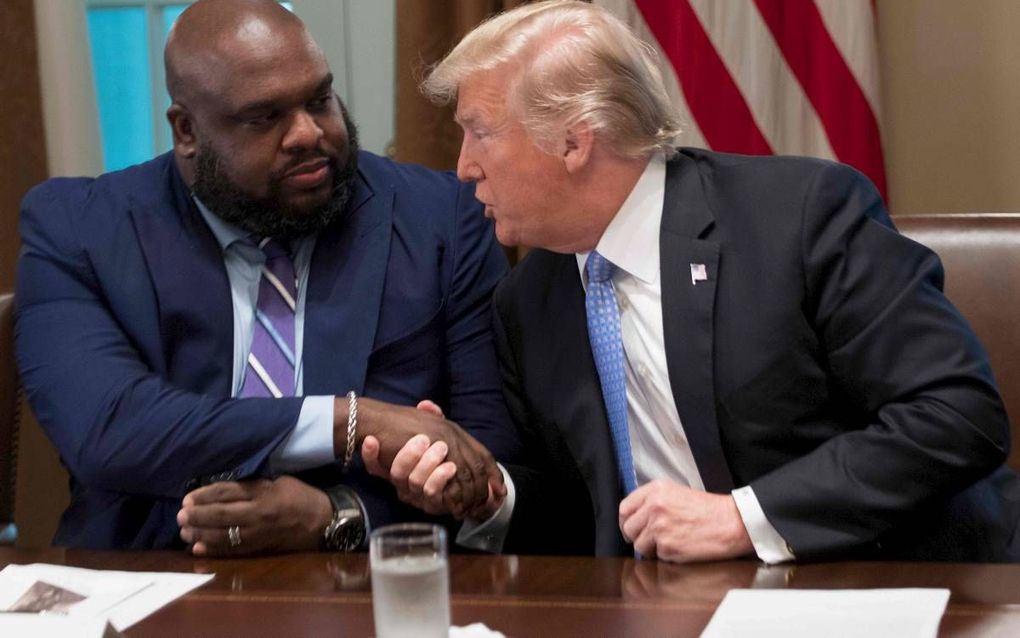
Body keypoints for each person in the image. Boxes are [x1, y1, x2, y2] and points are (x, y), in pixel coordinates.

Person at [402, 0, 1020, 562]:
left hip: (883, 581)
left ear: (572, 141)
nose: (462, 167)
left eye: (479, 131)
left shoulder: (800, 219)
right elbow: (585, 516)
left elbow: (956, 417)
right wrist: (489, 495)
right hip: (668, 609)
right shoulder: (529, 298)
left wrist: (743, 519)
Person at [14, 0, 515, 555]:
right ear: (186, 130)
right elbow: (109, 429)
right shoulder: (78, 231)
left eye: (319, 99)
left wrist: (336, 516)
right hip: (145, 582)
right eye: (263, 118)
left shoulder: (441, 222)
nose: (307, 133)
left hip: (367, 588)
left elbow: (486, 464)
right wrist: (349, 420)